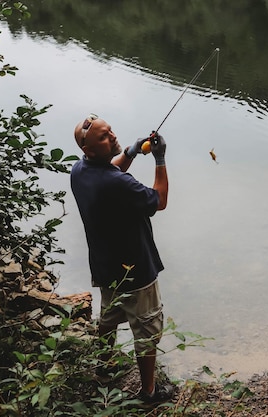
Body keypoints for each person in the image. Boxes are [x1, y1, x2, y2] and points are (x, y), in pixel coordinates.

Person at [70, 114, 173, 405]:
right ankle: (149, 393)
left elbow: (108, 168)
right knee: (147, 332)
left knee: (109, 319)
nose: (112, 137)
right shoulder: (118, 184)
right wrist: (160, 159)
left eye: (110, 131)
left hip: (105, 267)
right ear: (89, 149)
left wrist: (130, 151)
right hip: (137, 272)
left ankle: (102, 373)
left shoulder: (79, 170)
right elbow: (159, 200)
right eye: (104, 137)